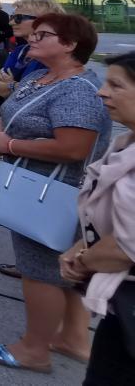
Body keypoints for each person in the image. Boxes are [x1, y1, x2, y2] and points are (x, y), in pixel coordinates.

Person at [0, 13, 112, 374]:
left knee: (40, 270)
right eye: (33, 33)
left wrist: (9, 144)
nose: (31, 39)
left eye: (43, 35)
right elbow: (11, 107)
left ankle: (34, 350)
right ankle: (74, 339)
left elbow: (73, 148)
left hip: (54, 192)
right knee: (65, 269)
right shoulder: (40, 76)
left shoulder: (78, 91)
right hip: (31, 180)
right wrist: (4, 135)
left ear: (70, 45)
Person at [61, 51, 135, 383]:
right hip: (121, 308)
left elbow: (126, 246)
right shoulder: (125, 144)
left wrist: (86, 260)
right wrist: (79, 247)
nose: (102, 92)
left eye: (116, 85)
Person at [0, 0, 67, 105]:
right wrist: (14, 86)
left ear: (44, 21)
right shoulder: (20, 51)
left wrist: (12, 85)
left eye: (18, 18)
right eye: (11, 17)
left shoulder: (54, 56)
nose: (11, 23)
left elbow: (44, 94)